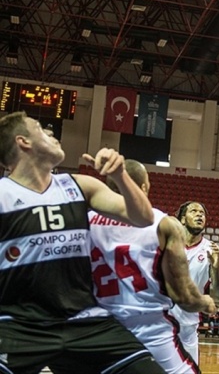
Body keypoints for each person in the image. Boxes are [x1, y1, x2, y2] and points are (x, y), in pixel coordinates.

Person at [0, 111, 165, 373]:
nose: (52, 133)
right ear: (23, 142)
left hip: (84, 321)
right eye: (41, 128)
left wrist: (121, 175)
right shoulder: (3, 195)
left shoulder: (79, 185)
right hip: (18, 324)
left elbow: (144, 217)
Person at [89, 159, 218, 373]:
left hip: (100, 328)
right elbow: (184, 298)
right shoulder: (163, 223)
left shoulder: (85, 221)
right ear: (143, 188)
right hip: (149, 329)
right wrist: (205, 302)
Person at [171, 201, 219, 365]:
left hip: (188, 329)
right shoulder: (168, 244)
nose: (199, 215)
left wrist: (217, 269)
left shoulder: (211, 249)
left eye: (202, 213)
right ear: (182, 219)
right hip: (161, 324)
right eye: (194, 211)